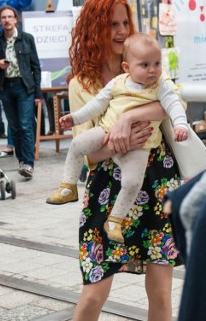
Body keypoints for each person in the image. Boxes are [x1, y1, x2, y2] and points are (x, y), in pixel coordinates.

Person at [62, 0, 183, 321]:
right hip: (107, 188)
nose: (119, 30)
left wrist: (129, 120)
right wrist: (120, 142)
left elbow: (174, 102)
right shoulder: (80, 82)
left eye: (124, 22)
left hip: (157, 178)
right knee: (94, 291)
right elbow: (91, 152)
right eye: (111, 23)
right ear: (94, 28)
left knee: (161, 292)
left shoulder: (147, 63)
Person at [45, 33, 189, 243]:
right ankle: (68, 186)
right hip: (105, 133)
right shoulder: (117, 83)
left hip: (140, 145)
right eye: (145, 65)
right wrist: (74, 119)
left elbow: (175, 104)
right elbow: (96, 106)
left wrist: (181, 125)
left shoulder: (160, 86)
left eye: (157, 63)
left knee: (132, 182)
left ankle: (115, 220)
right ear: (126, 68)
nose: (153, 70)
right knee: (77, 144)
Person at [0, 5, 41, 179]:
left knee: (26, 125)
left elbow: (35, 67)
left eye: (10, 17)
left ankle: (28, 163)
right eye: (3, 17)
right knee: (15, 127)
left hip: (24, 86)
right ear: (0, 21)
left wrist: (38, 93)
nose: (7, 20)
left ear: (16, 19)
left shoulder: (27, 39)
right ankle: (21, 161)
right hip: (5, 87)